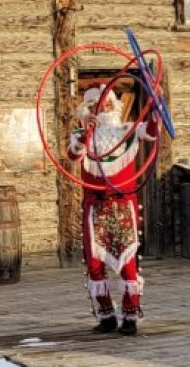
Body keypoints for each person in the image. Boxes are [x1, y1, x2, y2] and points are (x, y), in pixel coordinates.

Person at [67, 85, 157, 336]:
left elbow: (151, 132)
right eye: (95, 104)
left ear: (114, 104)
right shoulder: (81, 134)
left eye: (106, 102)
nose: (102, 107)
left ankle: (130, 316)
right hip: (95, 207)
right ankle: (106, 315)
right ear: (88, 108)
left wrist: (155, 108)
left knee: (128, 262)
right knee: (95, 265)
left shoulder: (128, 130)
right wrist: (86, 133)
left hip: (122, 206)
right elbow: (73, 155)